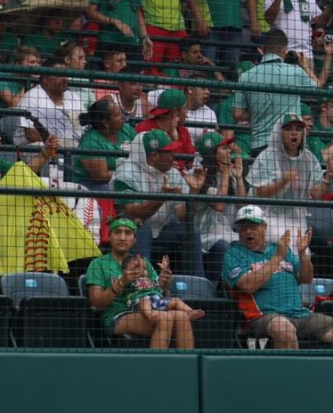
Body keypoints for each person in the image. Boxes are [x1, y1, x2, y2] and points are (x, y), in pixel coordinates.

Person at [222, 206, 333, 349]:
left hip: (299, 314)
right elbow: (247, 286)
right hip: (262, 317)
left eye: (253, 226)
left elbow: (306, 278)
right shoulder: (234, 254)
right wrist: (277, 257)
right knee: (284, 329)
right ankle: (293, 372)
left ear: (264, 228)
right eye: (243, 227)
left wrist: (302, 255)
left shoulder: (280, 249)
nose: (248, 231)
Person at [85, 216, 196, 349]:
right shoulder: (98, 264)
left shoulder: (143, 262)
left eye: (128, 233)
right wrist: (121, 282)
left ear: (135, 240)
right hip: (117, 315)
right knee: (164, 318)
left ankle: (187, 368)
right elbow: (96, 303)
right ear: (109, 237)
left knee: (182, 317)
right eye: (117, 232)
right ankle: (156, 367)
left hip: (150, 310)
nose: (122, 237)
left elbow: (155, 293)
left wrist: (164, 284)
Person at [112, 129, 207, 267]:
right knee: (141, 228)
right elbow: (132, 214)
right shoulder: (126, 173)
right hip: (128, 232)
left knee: (191, 231)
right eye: (168, 152)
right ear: (154, 156)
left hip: (161, 230)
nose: (173, 156)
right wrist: (160, 198)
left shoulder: (172, 173)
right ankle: (141, 283)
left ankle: (196, 283)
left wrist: (194, 191)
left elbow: (183, 216)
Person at [247, 114, 333, 253]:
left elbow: (316, 194)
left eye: (298, 129)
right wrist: (283, 181)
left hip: (298, 221)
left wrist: (328, 178)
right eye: (289, 129)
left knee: (303, 260)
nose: (294, 133)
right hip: (270, 219)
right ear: (280, 132)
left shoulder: (309, 158)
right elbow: (260, 193)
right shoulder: (267, 156)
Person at [233, 29, 318, 157]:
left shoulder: (245, 76)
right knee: (292, 177)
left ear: (263, 49)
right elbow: (316, 86)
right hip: (289, 145)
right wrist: (304, 65)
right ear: (284, 50)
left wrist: (259, 111)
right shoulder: (295, 71)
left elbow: (237, 114)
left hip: (260, 146)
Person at [189, 131, 246, 284]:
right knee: (224, 247)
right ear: (212, 154)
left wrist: (239, 177)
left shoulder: (228, 174)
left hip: (228, 233)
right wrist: (226, 172)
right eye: (224, 149)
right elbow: (219, 205)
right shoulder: (200, 175)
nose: (229, 152)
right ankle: (213, 289)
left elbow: (243, 207)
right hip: (206, 236)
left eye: (229, 148)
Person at [264, 0, 329, 67]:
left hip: (306, 55)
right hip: (282, 54)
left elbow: (319, 22)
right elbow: (268, 19)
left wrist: (330, 3)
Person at [15, 59, 84, 149]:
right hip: (33, 146)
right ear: (45, 79)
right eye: (59, 75)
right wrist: (58, 143)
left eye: (66, 75)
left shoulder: (74, 98)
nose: (65, 79)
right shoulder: (32, 97)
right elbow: (31, 135)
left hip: (68, 144)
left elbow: (82, 130)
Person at [72, 97, 133, 192]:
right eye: (117, 115)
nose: (122, 117)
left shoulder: (126, 129)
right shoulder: (90, 142)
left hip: (120, 180)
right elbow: (101, 177)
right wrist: (129, 174)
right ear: (105, 123)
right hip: (93, 185)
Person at [120, 254, 204, 321]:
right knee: (145, 301)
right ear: (125, 272)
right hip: (139, 304)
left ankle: (191, 312)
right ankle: (150, 316)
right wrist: (125, 279)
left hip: (157, 301)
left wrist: (164, 271)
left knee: (176, 300)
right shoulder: (128, 281)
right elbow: (122, 289)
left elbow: (160, 285)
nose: (141, 271)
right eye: (135, 268)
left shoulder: (150, 280)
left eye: (144, 269)